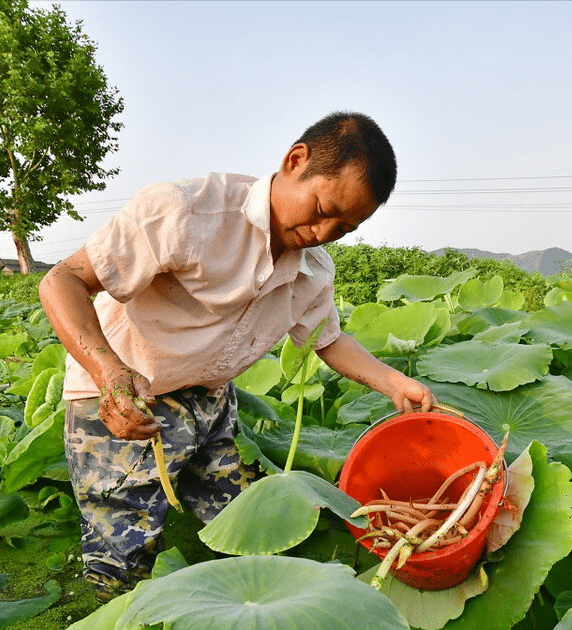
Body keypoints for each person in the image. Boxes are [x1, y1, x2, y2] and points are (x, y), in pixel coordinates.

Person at [38, 111, 436, 599]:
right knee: (122, 553)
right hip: (126, 400)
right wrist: (109, 372)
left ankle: (240, 619)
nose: (323, 231)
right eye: (322, 207)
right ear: (295, 161)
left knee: (244, 522)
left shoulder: (313, 269)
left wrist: (395, 383)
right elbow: (62, 280)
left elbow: (327, 339)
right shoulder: (187, 212)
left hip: (210, 400)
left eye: (344, 227)